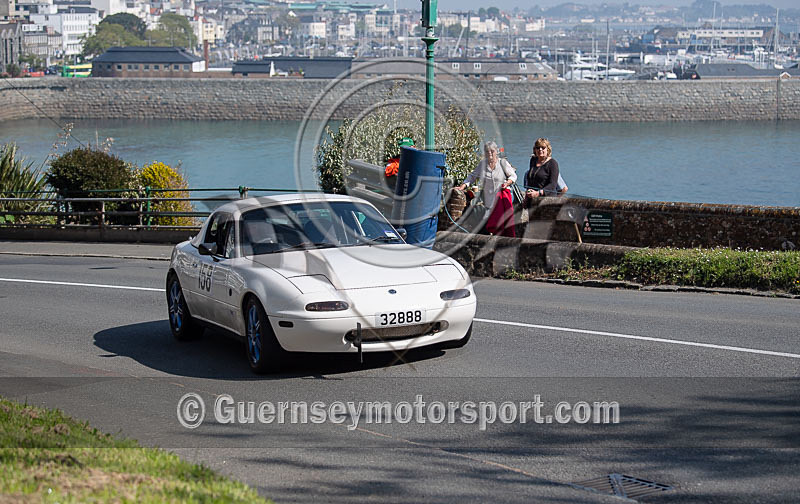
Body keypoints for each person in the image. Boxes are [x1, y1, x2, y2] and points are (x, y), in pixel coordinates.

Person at [457, 141, 517, 237]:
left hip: (501, 199)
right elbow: (472, 176)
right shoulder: (482, 164)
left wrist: (507, 183)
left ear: (496, 151)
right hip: (488, 199)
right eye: (487, 151)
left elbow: (513, 176)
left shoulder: (502, 163)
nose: (489, 153)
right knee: (492, 223)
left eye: (492, 151)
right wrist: (463, 186)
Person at [525, 138, 560, 202]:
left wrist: (538, 193)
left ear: (547, 149)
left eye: (543, 147)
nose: (540, 149)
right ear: (535, 149)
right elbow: (530, 180)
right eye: (538, 147)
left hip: (547, 201)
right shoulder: (533, 160)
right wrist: (527, 196)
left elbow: (552, 185)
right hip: (532, 200)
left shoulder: (552, 163)